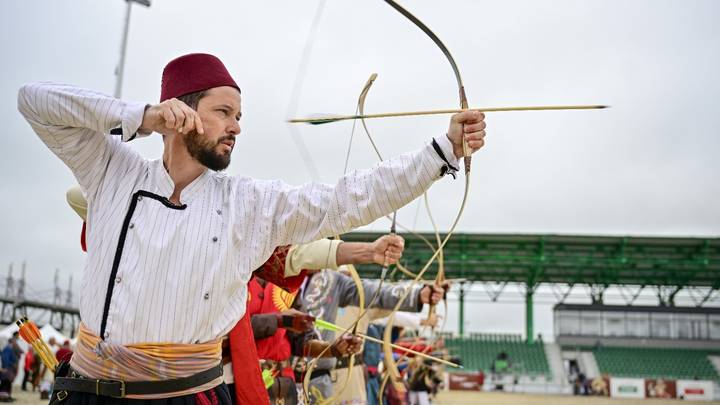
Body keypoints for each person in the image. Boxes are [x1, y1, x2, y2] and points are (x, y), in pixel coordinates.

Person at [18, 52, 486, 403]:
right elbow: (32, 101)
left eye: (239, 116)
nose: (236, 126)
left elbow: (344, 200)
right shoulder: (111, 171)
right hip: (90, 391)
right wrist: (141, 116)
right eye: (223, 112)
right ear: (179, 111)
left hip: (188, 395)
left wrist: (442, 151)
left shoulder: (247, 204)